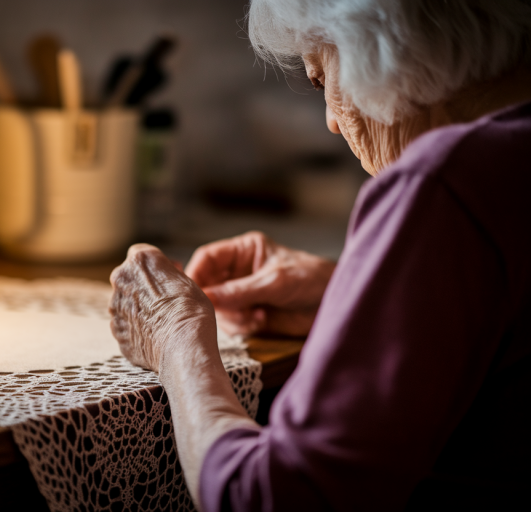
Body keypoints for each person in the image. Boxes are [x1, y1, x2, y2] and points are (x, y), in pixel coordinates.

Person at [108, 0, 531, 510]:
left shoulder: (446, 178)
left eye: (319, 77)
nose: (331, 121)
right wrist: (354, 294)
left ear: (376, 43)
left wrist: (175, 337)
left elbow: (272, 497)